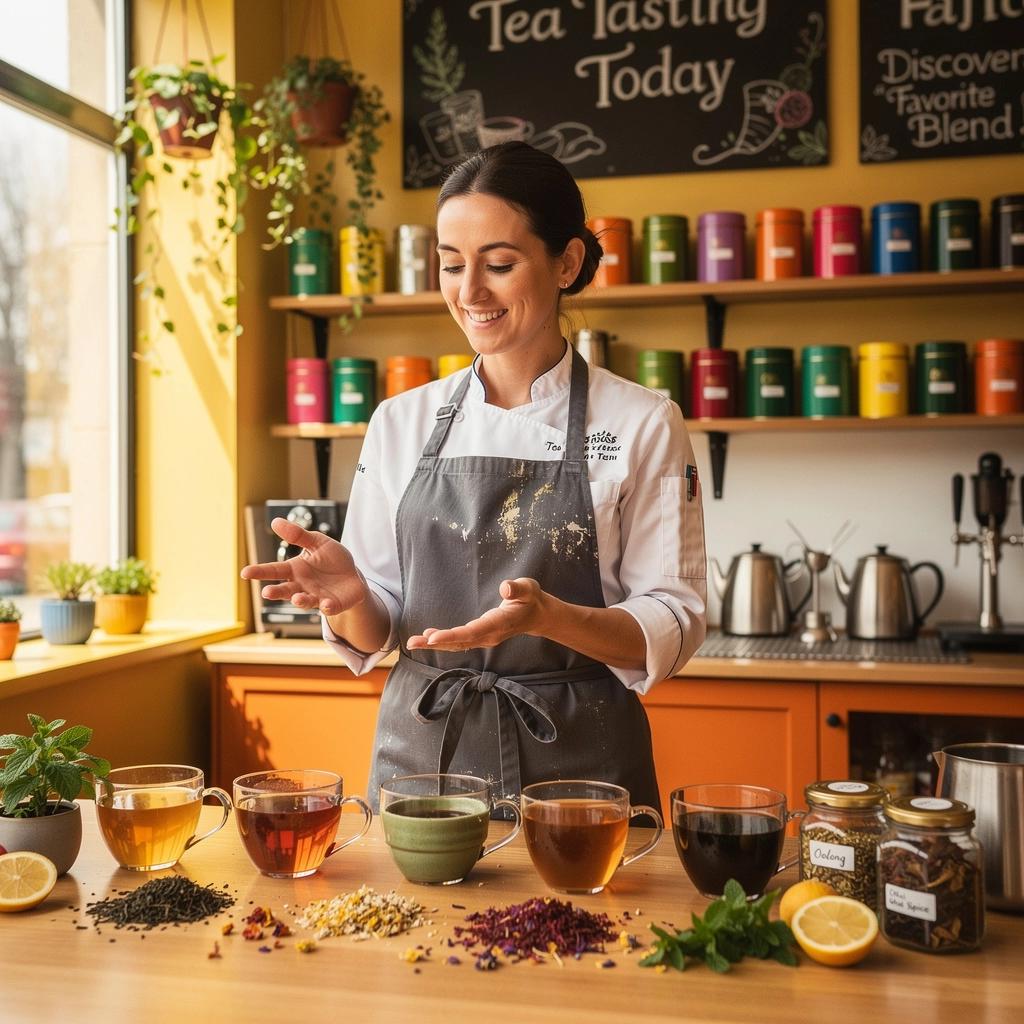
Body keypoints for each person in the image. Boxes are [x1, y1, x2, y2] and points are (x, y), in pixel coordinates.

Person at [241, 142, 707, 814]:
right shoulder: (399, 422)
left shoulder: (643, 421)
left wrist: (553, 618)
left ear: (567, 262)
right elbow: (382, 626)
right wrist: (351, 599)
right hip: (423, 765)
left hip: (582, 770)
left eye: (499, 264)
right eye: (452, 266)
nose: (470, 292)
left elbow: (675, 619)